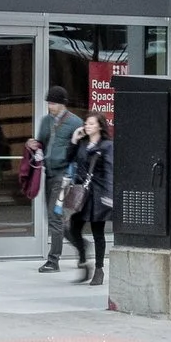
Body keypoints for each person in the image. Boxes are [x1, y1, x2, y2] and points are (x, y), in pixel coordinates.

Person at [31, 86, 83, 274]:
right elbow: (41, 143)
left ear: (62, 104)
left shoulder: (75, 122)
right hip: (49, 173)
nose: (50, 106)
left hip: (64, 176)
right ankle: (81, 246)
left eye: (52, 103)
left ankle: (53, 260)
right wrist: (34, 145)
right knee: (55, 217)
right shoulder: (45, 121)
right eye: (49, 103)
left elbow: (80, 150)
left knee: (55, 216)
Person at [61, 111, 114, 288]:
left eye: (91, 123)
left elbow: (109, 171)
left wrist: (108, 194)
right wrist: (74, 140)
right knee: (71, 229)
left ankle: (99, 269)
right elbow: (67, 159)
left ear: (99, 125)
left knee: (98, 233)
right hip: (81, 193)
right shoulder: (82, 144)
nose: (87, 126)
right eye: (86, 123)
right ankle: (84, 259)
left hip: (98, 193)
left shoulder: (107, 145)